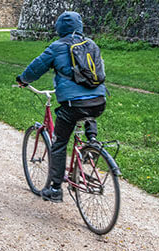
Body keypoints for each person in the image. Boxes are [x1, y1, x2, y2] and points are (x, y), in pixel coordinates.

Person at [16, 11, 106, 202]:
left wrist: (23, 80)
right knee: (89, 111)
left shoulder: (57, 47)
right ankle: (92, 141)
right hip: (99, 100)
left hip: (73, 104)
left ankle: (56, 189)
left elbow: (36, 68)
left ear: (60, 28)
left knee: (59, 143)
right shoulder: (91, 45)